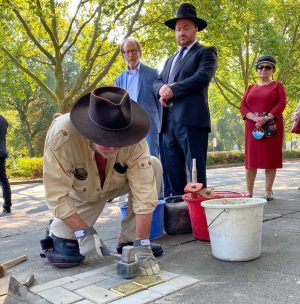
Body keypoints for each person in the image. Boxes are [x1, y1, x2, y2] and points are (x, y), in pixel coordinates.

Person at [41, 86, 163, 276]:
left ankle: (129, 240)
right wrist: (84, 233)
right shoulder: (63, 134)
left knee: (153, 165)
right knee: (66, 255)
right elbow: (56, 195)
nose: (112, 146)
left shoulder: (135, 138)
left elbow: (144, 190)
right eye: (105, 137)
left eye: (118, 139)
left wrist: (142, 243)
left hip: (115, 184)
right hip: (83, 196)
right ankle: (58, 228)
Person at [153, 3, 217, 196]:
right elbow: (157, 81)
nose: (181, 32)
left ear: (196, 29)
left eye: (186, 28)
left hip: (191, 121)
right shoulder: (169, 60)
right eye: (178, 29)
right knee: (172, 172)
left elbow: (202, 77)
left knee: (195, 172)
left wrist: (173, 90)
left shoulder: (205, 52)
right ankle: (177, 215)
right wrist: (162, 88)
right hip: (167, 124)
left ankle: (197, 218)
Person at [240, 55, 287, 201]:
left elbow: (282, 103)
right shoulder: (251, 87)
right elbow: (242, 105)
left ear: (273, 70)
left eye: (268, 67)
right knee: (251, 160)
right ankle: (249, 191)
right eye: (260, 67)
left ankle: (268, 190)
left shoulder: (277, 86)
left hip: (271, 127)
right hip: (252, 127)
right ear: (257, 70)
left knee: (270, 158)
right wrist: (254, 118)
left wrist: (266, 117)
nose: (263, 70)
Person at [115, 38, 162, 158]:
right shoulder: (119, 79)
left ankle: (155, 178)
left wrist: (161, 126)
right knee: (130, 159)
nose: (131, 54)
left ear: (140, 52)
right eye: (127, 51)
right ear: (123, 55)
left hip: (149, 126)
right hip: (129, 127)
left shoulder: (153, 73)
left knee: (152, 159)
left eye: (134, 51)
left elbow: (160, 104)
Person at [0, 114, 12, 217]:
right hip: (1, 152)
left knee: (3, 180)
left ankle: (7, 207)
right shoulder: (3, 119)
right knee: (3, 179)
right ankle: (7, 207)